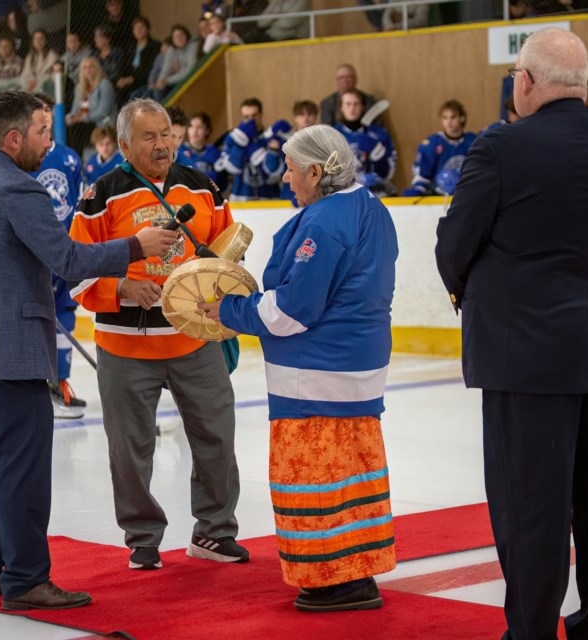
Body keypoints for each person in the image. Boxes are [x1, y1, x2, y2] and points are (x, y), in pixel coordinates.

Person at [0, 89, 176, 611]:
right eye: (44, 132)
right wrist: (137, 247)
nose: (51, 143)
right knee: (20, 468)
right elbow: (67, 258)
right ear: (15, 137)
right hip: (9, 352)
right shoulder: (18, 190)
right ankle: (25, 580)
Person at [435, 28, 588, 639]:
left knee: (532, 508)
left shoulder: (500, 147)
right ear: (583, 85)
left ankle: (530, 630)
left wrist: (467, 288)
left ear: (524, 81)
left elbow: (455, 245)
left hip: (526, 358)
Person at [199, 124, 398, 612]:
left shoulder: (324, 222)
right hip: (357, 370)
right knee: (355, 477)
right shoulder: (371, 208)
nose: (285, 179)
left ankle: (333, 579)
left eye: (290, 169)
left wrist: (227, 310)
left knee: (312, 479)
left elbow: (290, 312)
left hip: (316, 379)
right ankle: (359, 570)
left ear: (316, 170)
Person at [69, 98, 248, 571]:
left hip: (194, 338)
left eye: (167, 133)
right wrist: (123, 287)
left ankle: (214, 531)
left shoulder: (204, 187)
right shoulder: (100, 195)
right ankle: (143, 538)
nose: (163, 143)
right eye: (149, 137)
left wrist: (225, 272)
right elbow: (75, 272)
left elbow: (226, 253)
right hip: (125, 347)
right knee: (130, 448)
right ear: (125, 145)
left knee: (217, 436)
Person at [28, 93, 86, 415]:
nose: (46, 117)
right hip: (35, 253)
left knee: (65, 313)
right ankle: (38, 383)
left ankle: (60, 381)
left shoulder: (69, 158)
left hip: (66, 251)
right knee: (36, 319)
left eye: (48, 110)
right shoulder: (22, 156)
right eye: (40, 112)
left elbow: (77, 207)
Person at [215, 97, 285, 200]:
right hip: (241, 198)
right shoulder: (233, 139)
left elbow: (276, 174)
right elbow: (230, 169)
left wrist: (272, 151)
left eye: (254, 115)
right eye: (246, 117)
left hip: (269, 198)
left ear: (261, 114)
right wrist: (240, 145)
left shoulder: (272, 139)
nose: (251, 120)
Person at [403, 99, 476, 197]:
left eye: (453, 117)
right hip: (438, 197)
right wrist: (419, 189)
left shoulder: (474, 141)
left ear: (462, 118)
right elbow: (422, 176)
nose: (449, 122)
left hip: (468, 196)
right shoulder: (432, 143)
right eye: (445, 118)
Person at [334, 89, 396, 197]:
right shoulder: (331, 135)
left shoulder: (379, 133)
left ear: (362, 107)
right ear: (341, 108)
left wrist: (377, 154)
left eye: (356, 104)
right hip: (343, 196)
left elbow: (389, 172)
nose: (352, 108)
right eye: (348, 104)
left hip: (375, 195)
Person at [66, 56, 116, 156]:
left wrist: (84, 118)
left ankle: (77, 160)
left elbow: (103, 111)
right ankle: (72, 159)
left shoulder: (104, 84)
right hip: (85, 122)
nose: (88, 70)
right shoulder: (79, 87)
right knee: (70, 127)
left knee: (77, 129)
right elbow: (75, 109)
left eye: (91, 67)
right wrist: (71, 117)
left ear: (97, 68)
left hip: (102, 122)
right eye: (85, 67)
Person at [115, 16, 160, 109]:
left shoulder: (155, 46)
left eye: (141, 27)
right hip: (130, 82)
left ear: (147, 29)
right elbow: (124, 66)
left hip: (145, 80)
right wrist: (121, 78)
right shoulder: (130, 48)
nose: (139, 30)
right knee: (119, 93)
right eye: (136, 28)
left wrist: (132, 78)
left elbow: (150, 68)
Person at [279, 99, 317, 203]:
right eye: (301, 114)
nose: (305, 118)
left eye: (309, 114)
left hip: (315, 194)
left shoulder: (322, 140)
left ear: (316, 116)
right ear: (295, 117)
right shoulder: (285, 140)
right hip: (289, 193)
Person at [149, 24, 197, 101]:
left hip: (189, 80)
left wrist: (167, 81)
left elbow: (189, 72)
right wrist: (161, 80)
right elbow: (166, 68)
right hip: (176, 79)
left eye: (181, 35)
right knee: (154, 91)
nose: (179, 38)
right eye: (176, 37)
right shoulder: (172, 49)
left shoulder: (193, 47)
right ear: (173, 40)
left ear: (187, 35)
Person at [176, 111, 220, 184]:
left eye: (199, 127)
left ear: (207, 130)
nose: (194, 131)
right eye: (191, 126)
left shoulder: (214, 152)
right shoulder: (179, 150)